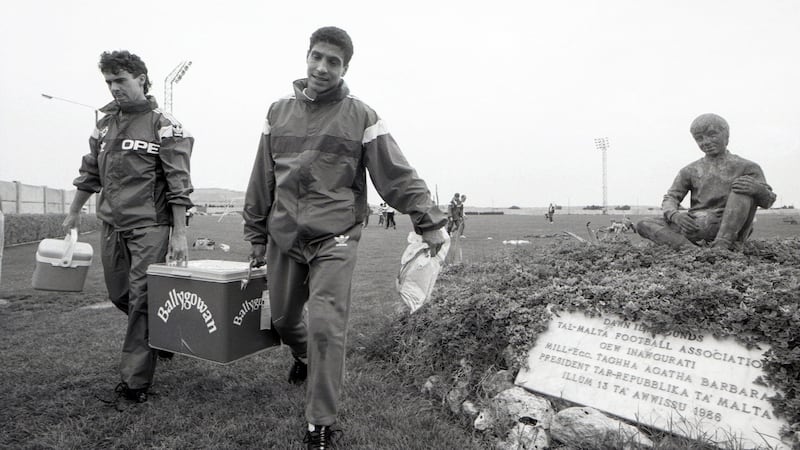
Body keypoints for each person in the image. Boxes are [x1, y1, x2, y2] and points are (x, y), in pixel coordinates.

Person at [242, 27, 447, 449]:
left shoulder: (362, 117)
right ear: (307, 57)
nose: (322, 67)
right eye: (316, 57)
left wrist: (427, 219)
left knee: (326, 326)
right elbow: (262, 177)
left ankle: (320, 422)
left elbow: (396, 173)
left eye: (332, 62)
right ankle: (300, 356)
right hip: (284, 236)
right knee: (281, 320)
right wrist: (256, 233)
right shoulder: (276, 112)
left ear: (345, 68)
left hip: (335, 237)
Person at [64, 50, 193, 404]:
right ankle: (160, 337)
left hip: (151, 226)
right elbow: (91, 171)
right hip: (111, 224)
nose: (114, 88)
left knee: (141, 301)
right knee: (120, 295)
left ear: (141, 78)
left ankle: (135, 382)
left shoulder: (166, 124)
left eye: (120, 80)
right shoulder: (104, 124)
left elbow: (179, 183)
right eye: (108, 82)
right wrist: (74, 212)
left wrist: (179, 235)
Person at [636, 113, 776, 250]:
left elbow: (767, 202)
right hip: (694, 227)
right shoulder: (690, 170)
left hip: (728, 228)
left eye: (712, 135)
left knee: (743, 187)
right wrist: (675, 216)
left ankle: (722, 245)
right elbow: (671, 198)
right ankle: (690, 250)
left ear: (726, 136)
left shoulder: (747, 167)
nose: (706, 142)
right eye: (699, 138)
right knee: (644, 223)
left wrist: (758, 189)